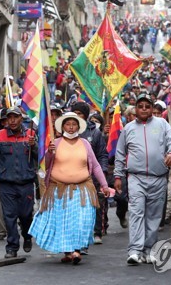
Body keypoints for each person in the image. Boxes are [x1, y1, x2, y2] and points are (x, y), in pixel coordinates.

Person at [29, 112, 109, 264]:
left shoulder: (85, 143)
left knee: (81, 220)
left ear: (79, 127)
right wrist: (49, 153)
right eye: (68, 124)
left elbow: (96, 166)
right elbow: (45, 164)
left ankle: (77, 250)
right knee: (64, 221)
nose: (71, 127)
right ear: (62, 126)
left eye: (74, 124)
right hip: (58, 190)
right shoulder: (55, 143)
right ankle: (68, 252)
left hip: (83, 188)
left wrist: (104, 185)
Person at [114, 94, 171, 265]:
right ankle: (135, 250)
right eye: (140, 106)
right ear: (135, 109)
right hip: (136, 178)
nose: (143, 109)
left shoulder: (162, 124)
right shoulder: (128, 128)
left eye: (147, 106)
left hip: (158, 178)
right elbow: (120, 153)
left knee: (154, 216)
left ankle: (149, 250)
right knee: (136, 212)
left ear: (151, 108)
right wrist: (118, 175)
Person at [0, 107, 37, 258]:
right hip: (6, 183)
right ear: (6, 120)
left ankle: (27, 236)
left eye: (16, 117)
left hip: (26, 182)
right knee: (9, 215)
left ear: (21, 118)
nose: (13, 120)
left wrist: (33, 145)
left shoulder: (31, 134)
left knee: (26, 215)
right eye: (10, 118)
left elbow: (39, 157)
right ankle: (12, 247)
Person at [71, 102, 109, 245]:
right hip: (73, 178)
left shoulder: (95, 132)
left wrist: (102, 172)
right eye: (74, 113)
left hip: (91, 177)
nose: (76, 116)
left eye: (80, 113)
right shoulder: (66, 132)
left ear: (86, 116)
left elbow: (102, 155)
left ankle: (96, 231)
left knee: (94, 205)